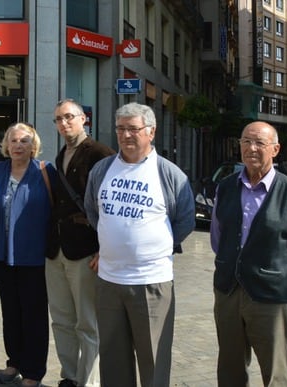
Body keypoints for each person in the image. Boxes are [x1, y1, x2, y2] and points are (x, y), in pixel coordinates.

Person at [83, 102, 195, 387]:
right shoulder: (102, 170)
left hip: (152, 282)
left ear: (151, 131)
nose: (125, 135)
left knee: (153, 360)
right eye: (121, 129)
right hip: (108, 281)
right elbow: (94, 213)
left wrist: (154, 248)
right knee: (113, 359)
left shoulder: (169, 174)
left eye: (133, 129)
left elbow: (184, 221)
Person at [210, 121, 287, 386]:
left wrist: (279, 278)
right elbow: (218, 239)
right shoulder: (226, 187)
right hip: (229, 292)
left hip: (274, 299)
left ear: (275, 149)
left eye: (259, 143)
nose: (251, 148)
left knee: (277, 374)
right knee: (229, 370)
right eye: (246, 141)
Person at [48, 99, 115, 387]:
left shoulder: (101, 153)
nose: (64, 124)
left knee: (87, 322)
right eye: (59, 120)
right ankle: (70, 375)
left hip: (86, 249)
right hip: (57, 249)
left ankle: (89, 381)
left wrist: (104, 248)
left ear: (83, 118)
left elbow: (110, 205)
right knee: (62, 319)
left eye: (69, 117)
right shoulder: (61, 152)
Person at [0, 123, 53, 387]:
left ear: (33, 146)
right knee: (10, 312)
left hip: (33, 256)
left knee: (34, 314)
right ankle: (14, 362)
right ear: (6, 144)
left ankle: (33, 372)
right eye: (13, 141)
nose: (18, 145)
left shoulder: (45, 172)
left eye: (25, 141)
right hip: (2, 256)